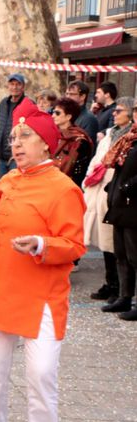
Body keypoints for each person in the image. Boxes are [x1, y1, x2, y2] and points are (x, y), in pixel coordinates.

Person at [0, 98, 86, 422]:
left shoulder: (63, 189)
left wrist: (41, 244)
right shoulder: (5, 181)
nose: (16, 143)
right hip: (1, 290)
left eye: (27, 137)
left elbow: (74, 245)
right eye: (15, 136)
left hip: (42, 297)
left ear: (47, 145)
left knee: (40, 378)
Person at [85, 98, 133, 305]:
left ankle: (121, 290)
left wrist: (122, 187)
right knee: (107, 244)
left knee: (122, 247)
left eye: (119, 111)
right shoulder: (111, 134)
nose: (114, 113)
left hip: (122, 195)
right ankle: (112, 284)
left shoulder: (130, 138)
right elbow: (99, 159)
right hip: (105, 191)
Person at [102, 113, 137, 320]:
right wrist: (113, 188)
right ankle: (124, 296)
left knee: (135, 256)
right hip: (119, 204)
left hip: (133, 205)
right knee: (121, 254)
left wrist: (126, 187)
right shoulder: (129, 139)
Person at [50, 96, 94, 188]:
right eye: (53, 112)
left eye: (57, 113)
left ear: (68, 117)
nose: (53, 115)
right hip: (49, 184)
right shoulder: (53, 135)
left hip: (69, 187)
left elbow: (79, 174)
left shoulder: (80, 141)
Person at [0, 73, 28, 177]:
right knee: (3, 186)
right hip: (1, 155)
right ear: (8, 86)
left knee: (15, 186)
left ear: (23, 86)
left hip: (17, 156)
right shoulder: (4, 103)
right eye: (12, 84)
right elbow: (0, 123)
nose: (15, 87)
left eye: (18, 84)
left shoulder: (27, 104)